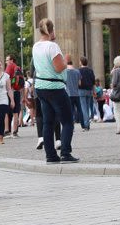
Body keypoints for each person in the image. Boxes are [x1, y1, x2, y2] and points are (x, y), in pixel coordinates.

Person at [32, 18, 79, 163]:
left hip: (41, 87)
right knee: (67, 121)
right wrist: (65, 62)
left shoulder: (36, 46)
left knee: (48, 122)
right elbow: (58, 67)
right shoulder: (52, 46)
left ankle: (50, 155)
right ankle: (65, 153)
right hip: (55, 87)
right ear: (52, 30)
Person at [4, 55, 24, 137]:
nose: (6, 62)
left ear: (11, 60)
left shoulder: (10, 66)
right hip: (17, 91)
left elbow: (6, 78)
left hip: (10, 91)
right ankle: (15, 131)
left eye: (7, 60)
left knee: (6, 111)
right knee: (16, 112)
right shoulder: (18, 67)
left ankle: (6, 130)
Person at [77, 56, 95, 130]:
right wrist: (94, 91)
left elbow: (78, 82)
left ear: (81, 62)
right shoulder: (90, 70)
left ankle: (86, 124)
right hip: (89, 90)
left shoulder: (79, 71)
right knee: (87, 107)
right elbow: (93, 81)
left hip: (81, 90)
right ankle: (87, 122)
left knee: (83, 108)